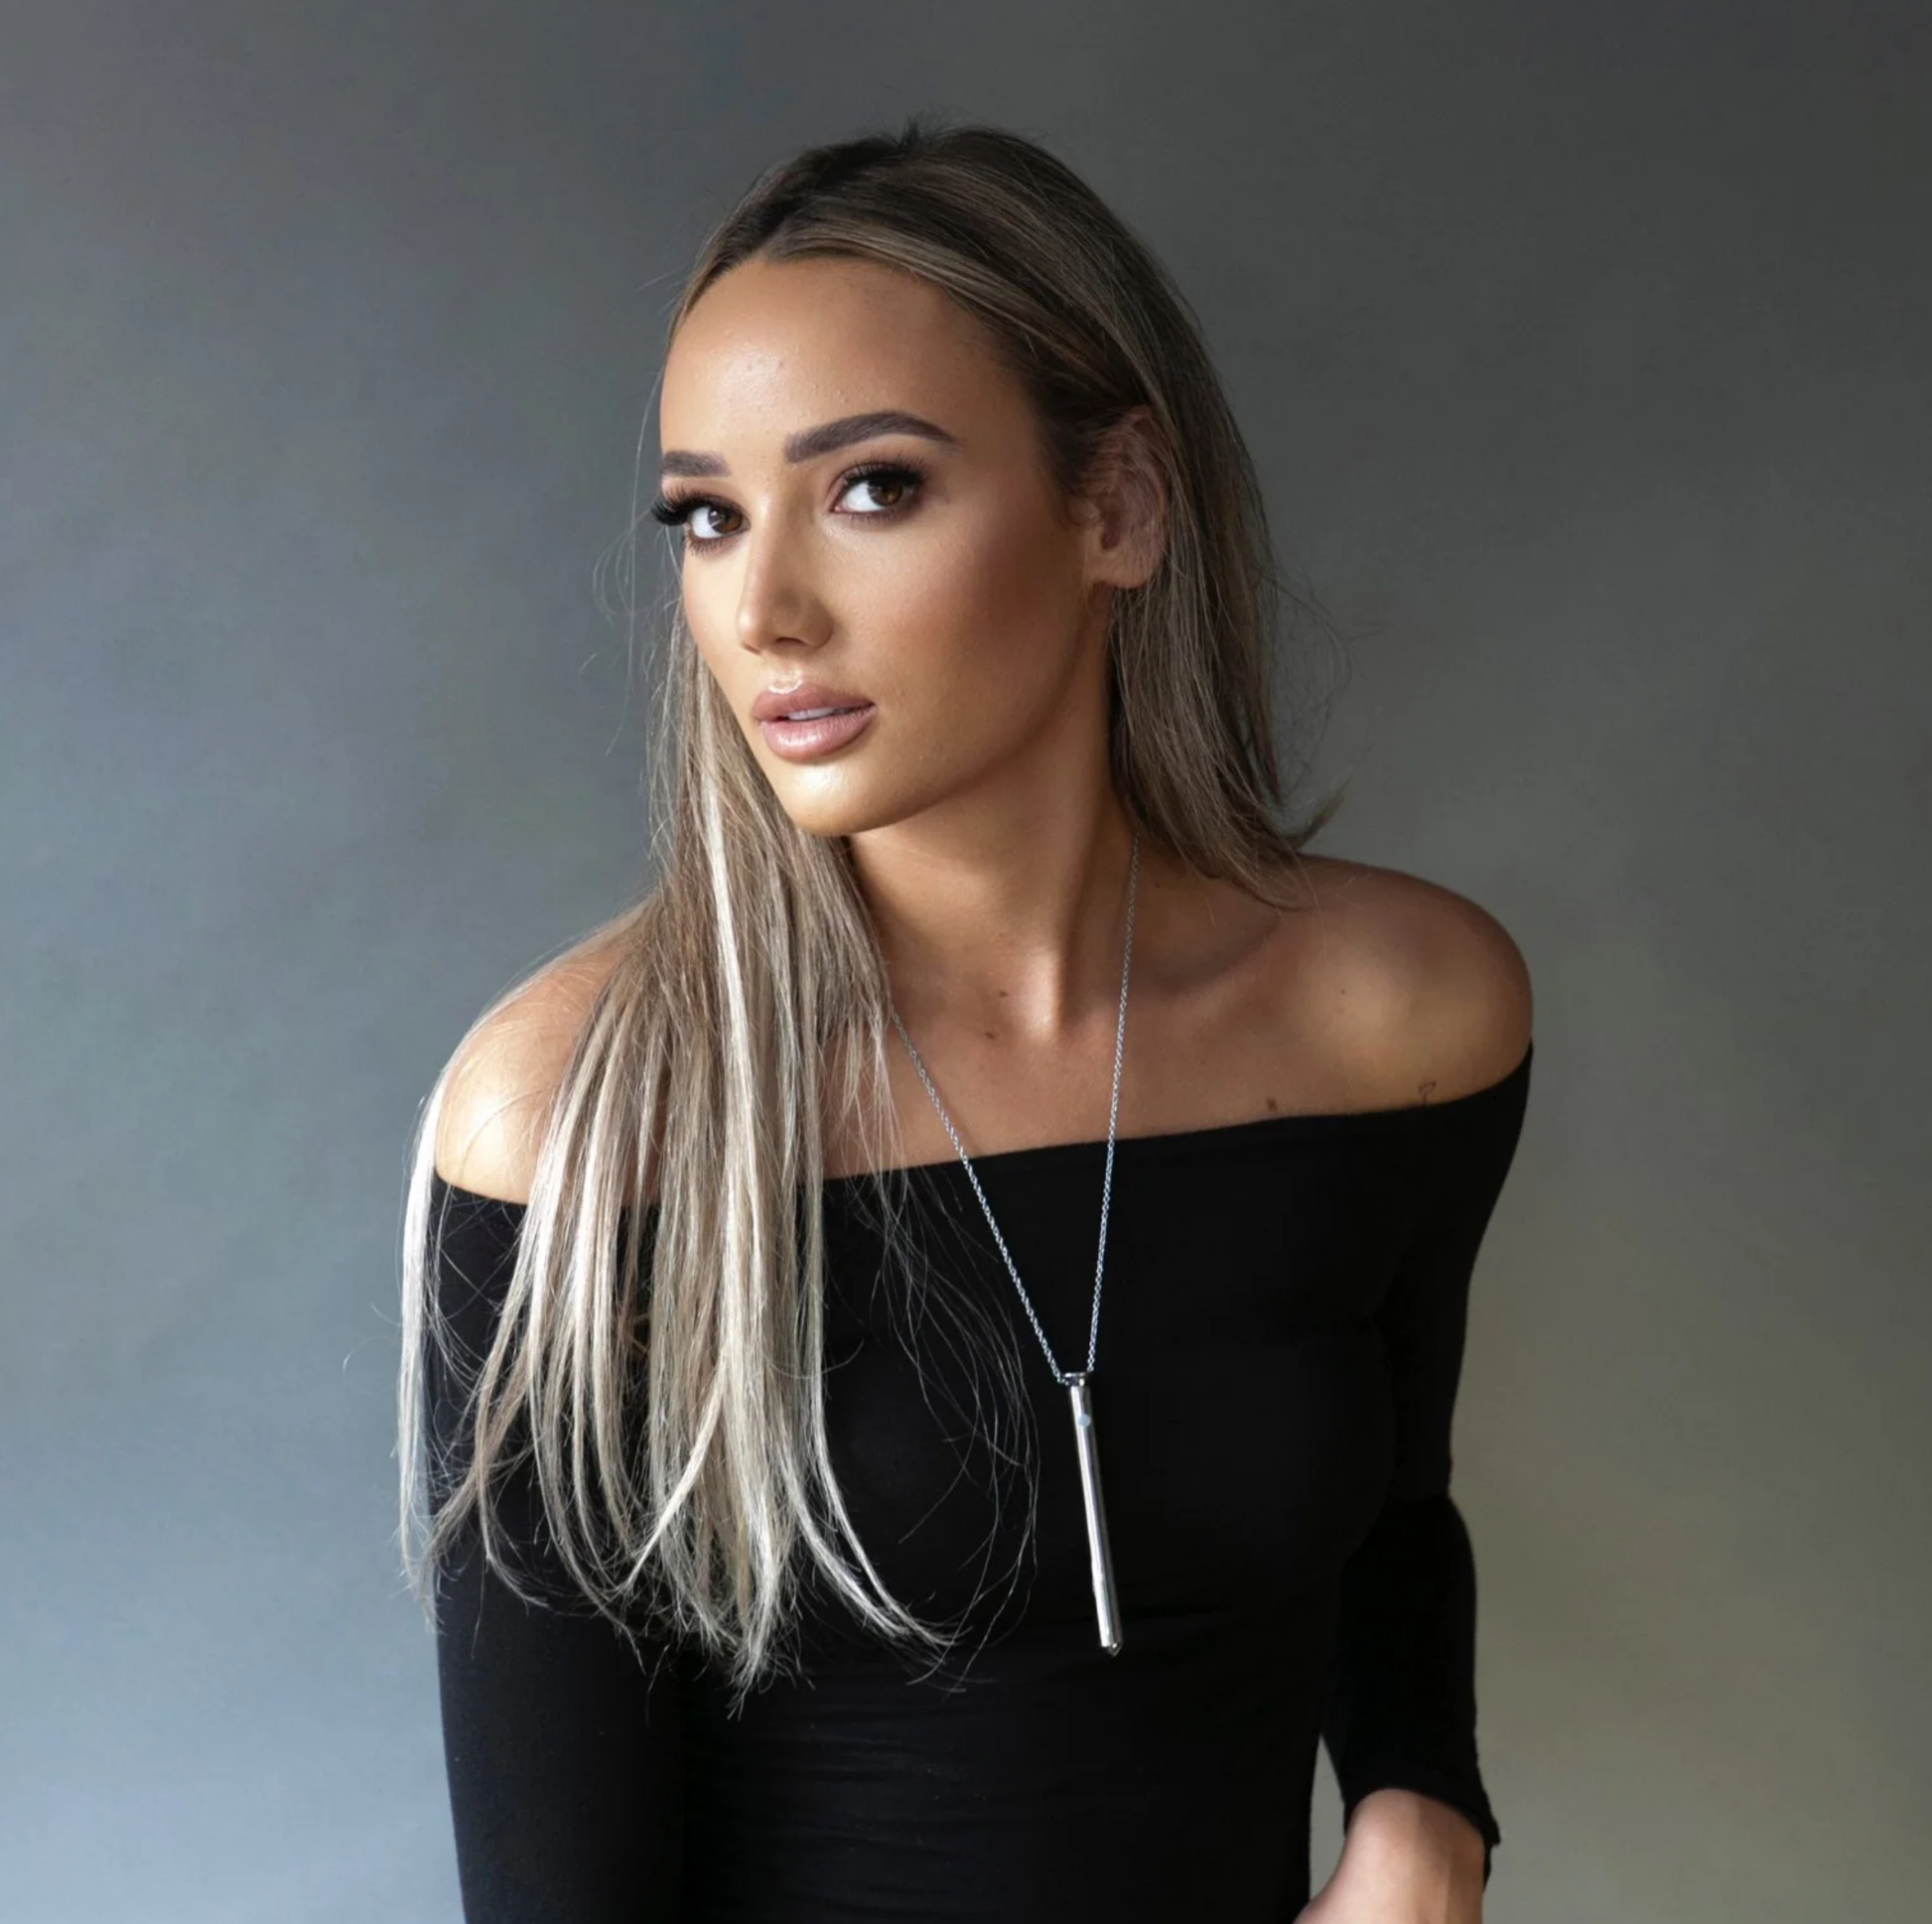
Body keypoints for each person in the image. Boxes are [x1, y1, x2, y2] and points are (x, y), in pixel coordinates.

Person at [396, 115, 1534, 1923]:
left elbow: (1390, 1501)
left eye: (870, 489)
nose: (763, 610)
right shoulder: (584, 1121)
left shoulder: (1396, 1015)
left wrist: (1422, 1811)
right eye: (706, 517)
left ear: (1118, 506)